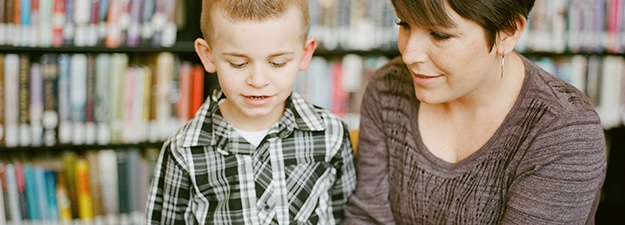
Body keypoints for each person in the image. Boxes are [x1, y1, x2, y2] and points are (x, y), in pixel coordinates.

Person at [344, 0, 607, 224]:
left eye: (440, 35)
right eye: (404, 24)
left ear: (507, 32)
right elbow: (367, 217)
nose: (409, 54)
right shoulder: (387, 88)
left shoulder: (564, 130)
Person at [144, 0, 357, 224]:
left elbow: (347, 215)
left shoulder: (332, 134)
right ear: (208, 55)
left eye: (277, 63)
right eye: (238, 63)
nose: (258, 81)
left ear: (305, 54)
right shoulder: (183, 150)